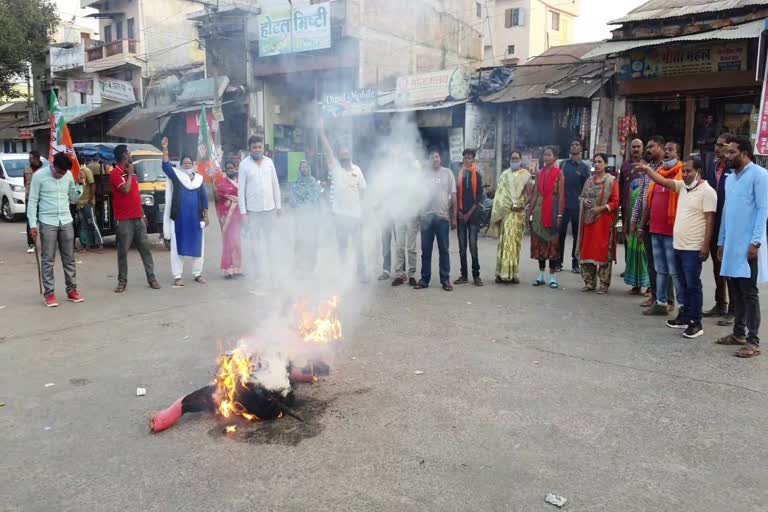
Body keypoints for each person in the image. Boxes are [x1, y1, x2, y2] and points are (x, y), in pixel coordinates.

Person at [642, 159, 717, 338]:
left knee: (693, 285)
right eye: (683, 171)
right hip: (679, 245)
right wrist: (647, 169)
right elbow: (663, 181)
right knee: (682, 285)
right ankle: (685, 316)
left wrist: (705, 246)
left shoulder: (708, 192)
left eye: (689, 171)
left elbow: (710, 221)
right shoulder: (683, 186)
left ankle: (695, 322)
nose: (685, 174)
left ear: (698, 171)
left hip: (693, 248)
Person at [715, 135, 768, 358]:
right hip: (731, 245)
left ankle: (753, 341)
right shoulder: (730, 178)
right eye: (727, 152)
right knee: (735, 290)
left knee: (749, 293)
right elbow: (727, 211)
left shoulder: (760, 175)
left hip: (748, 246)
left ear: (745, 153)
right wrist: (721, 241)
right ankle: (738, 333)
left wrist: (756, 242)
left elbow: (763, 210)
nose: (727, 156)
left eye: (732, 152)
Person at [27, 152, 84, 307]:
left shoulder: (68, 175)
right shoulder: (39, 176)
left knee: (69, 258)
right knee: (48, 260)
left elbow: (72, 198)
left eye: (64, 173)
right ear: (54, 166)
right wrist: (33, 225)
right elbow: (32, 201)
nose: (62, 175)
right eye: (60, 172)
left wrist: (79, 185)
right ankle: (50, 294)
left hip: (66, 220)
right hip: (47, 222)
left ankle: (72, 290)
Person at [319, 119, 367, 282]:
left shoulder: (357, 170)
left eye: (347, 153)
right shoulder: (336, 169)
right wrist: (322, 134)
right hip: (340, 216)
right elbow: (328, 151)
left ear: (350, 155)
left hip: (355, 216)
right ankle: (343, 275)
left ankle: (361, 274)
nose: (344, 155)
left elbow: (363, 193)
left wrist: (362, 213)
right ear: (339, 156)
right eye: (342, 153)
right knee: (342, 247)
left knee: (359, 247)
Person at [639, 141, 684, 316]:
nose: (666, 152)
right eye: (665, 150)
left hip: (672, 231)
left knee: (675, 271)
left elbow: (667, 185)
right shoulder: (659, 173)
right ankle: (660, 302)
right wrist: (643, 226)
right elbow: (649, 203)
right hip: (656, 229)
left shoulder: (681, 174)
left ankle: (682, 307)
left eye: (670, 150)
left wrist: (648, 171)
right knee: (660, 269)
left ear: (677, 154)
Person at [110, 144, 161, 293]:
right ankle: (122, 281)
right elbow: (125, 190)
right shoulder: (115, 173)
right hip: (124, 219)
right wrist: (131, 174)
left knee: (145, 249)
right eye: (129, 153)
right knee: (123, 252)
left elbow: (135, 196)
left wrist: (143, 214)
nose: (131, 155)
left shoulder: (132, 173)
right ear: (124, 156)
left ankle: (152, 278)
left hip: (138, 217)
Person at [161, 140, 209, 286]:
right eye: (185, 163)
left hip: (195, 219)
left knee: (198, 246)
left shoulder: (199, 179)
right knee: (178, 247)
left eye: (189, 163)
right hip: (180, 218)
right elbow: (165, 166)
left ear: (193, 164)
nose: (187, 165)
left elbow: (204, 198)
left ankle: (197, 273)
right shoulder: (177, 177)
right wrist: (165, 149)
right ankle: (177, 276)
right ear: (181, 165)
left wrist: (206, 215)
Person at [238, 135, 282, 282]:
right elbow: (241, 190)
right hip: (253, 212)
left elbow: (275, 185)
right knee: (255, 243)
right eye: (254, 147)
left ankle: (273, 271)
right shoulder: (244, 165)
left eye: (259, 147)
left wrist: (278, 206)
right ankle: (258, 273)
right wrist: (243, 213)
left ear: (263, 148)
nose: (257, 149)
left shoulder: (269, 163)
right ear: (250, 149)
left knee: (270, 242)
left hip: (269, 210)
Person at [703, 133, 736, 325]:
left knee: (728, 268)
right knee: (716, 267)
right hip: (714, 224)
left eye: (721, 145)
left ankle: (733, 309)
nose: (717, 148)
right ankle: (720, 303)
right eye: (716, 145)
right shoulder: (712, 167)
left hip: (730, 225)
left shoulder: (733, 170)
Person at [576, 153, 619, 293]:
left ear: (605, 164)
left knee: (603, 252)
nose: (597, 164)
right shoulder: (589, 181)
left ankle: (604, 284)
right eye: (595, 161)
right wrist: (584, 201)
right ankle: (590, 282)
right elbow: (581, 197)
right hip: (589, 222)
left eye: (600, 162)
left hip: (604, 222)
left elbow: (615, 202)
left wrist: (600, 208)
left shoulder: (612, 181)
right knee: (587, 251)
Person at [414, 150, 457, 291]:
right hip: (426, 218)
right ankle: (424, 279)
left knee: (444, 250)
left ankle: (445, 280)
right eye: (432, 157)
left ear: (440, 159)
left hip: (442, 218)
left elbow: (454, 195)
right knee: (426, 251)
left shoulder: (448, 173)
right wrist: (418, 216)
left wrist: (454, 217)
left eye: (437, 156)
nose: (435, 159)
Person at [489, 151, 531, 284]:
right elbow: (499, 196)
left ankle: (513, 274)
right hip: (506, 213)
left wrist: (520, 206)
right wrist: (507, 207)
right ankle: (500, 273)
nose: (514, 160)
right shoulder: (504, 175)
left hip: (518, 214)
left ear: (520, 159)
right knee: (504, 243)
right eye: (512, 158)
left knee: (515, 244)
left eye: (517, 158)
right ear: (510, 160)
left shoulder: (526, 175)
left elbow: (529, 195)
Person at [530, 147, 565, 288]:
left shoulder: (560, 174)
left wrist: (560, 214)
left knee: (552, 244)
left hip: (553, 208)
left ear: (555, 157)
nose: (546, 157)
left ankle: (552, 276)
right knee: (540, 243)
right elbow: (535, 194)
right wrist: (530, 211)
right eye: (545, 155)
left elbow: (562, 195)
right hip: (539, 210)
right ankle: (541, 275)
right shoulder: (539, 173)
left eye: (549, 155)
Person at [557, 140, 590, 273]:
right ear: (570, 148)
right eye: (572, 144)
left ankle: (575, 263)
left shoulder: (584, 167)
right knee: (561, 235)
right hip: (563, 206)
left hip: (578, 207)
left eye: (577, 145)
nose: (574, 146)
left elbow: (587, 187)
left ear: (581, 148)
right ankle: (558, 262)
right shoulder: (563, 164)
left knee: (577, 236)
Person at [455, 148, 484, 286]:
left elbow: (479, 197)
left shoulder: (477, 175)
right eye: (465, 157)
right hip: (461, 216)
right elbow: (455, 195)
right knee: (462, 247)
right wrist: (460, 213)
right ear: (463, 159)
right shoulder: (459, 174)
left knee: (473, 246)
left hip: (473, 217)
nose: (467, 160)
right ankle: (464, 275)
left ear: (473, 159)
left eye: (470, 158)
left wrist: (468, 213)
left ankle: (476, 275)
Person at [391, 157, 421, 287]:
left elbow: (420, 197)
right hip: (399, 215)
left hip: (412, 215)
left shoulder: (415, 179)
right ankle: (399, 274)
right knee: (399, 246)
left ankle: (412, 275)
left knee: (411, 247)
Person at [289, 159, 321, 274]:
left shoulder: (314, 183)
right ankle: (298, 266)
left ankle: (311, 267)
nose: (304, 169)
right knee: (299, 242)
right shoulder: (296, 185)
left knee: (312, 242)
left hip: (312, 218)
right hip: (300, 218)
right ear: (299, 169)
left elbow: (317, 200)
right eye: (302, 167)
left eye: (306, 166)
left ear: (309, 168)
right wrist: (300, 208)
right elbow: (292, 201)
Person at [623, 167, 651, 294]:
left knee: (645, 256)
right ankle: (636, 285)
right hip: (634, 222)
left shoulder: (653, 182)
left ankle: (650, 286)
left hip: (646, 224)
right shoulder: (634, 183)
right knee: (634, 255)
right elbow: (630, 204)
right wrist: (629, 223)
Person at [619, 139, 645, 272]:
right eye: (633, 146)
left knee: (640, 240)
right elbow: (620, 186)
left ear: (642, 148)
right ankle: (629, 267)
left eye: (638, 147)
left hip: (642, 210)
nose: (635, 149)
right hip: (627, 208)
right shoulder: (624, 166)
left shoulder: (647, 166)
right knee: (627, 237)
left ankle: (641, 269)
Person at [214, 161, 243, 279]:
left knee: (238, 242)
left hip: (239, 216)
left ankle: (237, 269)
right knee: (229, 243)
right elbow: (218, 200)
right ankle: (227, 270)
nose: (231, 170)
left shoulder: (241, 182)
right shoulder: (221, 184)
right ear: (225, 170)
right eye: (228, 168)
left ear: (236, 169)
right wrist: (214, 188)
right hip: (228, 217)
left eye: (232, 168)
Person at [76, 161, 103, 253]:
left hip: (87, 202)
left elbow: (92, 184)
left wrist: (90, 199)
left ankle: (100, 244)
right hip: (79, 203)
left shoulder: (86, 170)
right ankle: (87, 245)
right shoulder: (74, 172)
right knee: (83, 225)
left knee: (92, 223)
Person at [23, 150, 45, 253]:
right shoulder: (26, 170)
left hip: (42, 199)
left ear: (36, 158)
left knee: (44, 221)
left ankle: (46, 243)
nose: (29, 159)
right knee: (30, 221)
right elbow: (25, 183)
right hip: (30, 198)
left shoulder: (45, 169)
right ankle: (31, 244)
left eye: (31, 157)